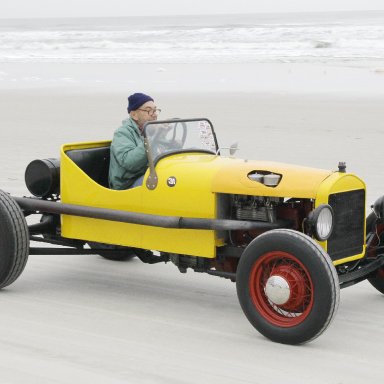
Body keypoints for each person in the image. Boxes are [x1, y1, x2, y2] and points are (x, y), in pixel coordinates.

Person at [109, 92, 161, 189]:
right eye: (149, 111)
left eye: (155, 110)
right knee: (162, 182)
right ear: (134, 115)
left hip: (148, 174)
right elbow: (129, 162)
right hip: (127, 184)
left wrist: (173, 142)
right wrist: (153, 137)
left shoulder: (150, 131)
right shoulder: (122, 133)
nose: (154, 115)